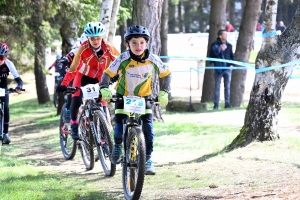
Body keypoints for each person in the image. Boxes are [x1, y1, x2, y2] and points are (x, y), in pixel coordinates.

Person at [99, 25, 172, 175]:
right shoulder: (123, 58)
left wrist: (164, 92)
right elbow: (107, 74)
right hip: (123, 96)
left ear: (146, 44)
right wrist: (104, 88)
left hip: (143, 97)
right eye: (134, 43)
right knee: (118, 128)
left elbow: (167, 74)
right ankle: (118, 146)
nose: (138, 46)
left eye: (141, 43)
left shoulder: (153, 59)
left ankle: (148, 159)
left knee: (148, 130)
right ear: (127, 44)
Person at [56, 22, 120, 140]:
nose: (95, 41)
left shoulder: (109, 48)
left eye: (98, 38)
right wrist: (64, 84)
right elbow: (73, 68)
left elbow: (121, 63)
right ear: (88, 38)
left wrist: (118, 76)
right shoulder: (82, 49)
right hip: (83, 76)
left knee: (103, 104)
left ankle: (104, 138)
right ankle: (74, 125)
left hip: (102, 77)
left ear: (102, 37)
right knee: (76, 99)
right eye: (92, 38)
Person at [58, 32, 88, 123]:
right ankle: (68, 107)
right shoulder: (76, 50)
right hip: (74, 75)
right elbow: (63, 61)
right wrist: (63, 71)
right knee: (73, 89)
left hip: (87, 77)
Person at [0, 42, 23, 144]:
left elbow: (18, 79)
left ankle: (5, 133)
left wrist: (19, 86)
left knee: (6, 108)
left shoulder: (9, 64)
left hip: (3, 89)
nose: (1, 60)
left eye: (2, 58)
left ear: (6, 56)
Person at [210, 29, 235, 110]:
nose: (226, 36)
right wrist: (220, 49)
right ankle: (216, 104)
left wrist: (232, 65)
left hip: (227, 69)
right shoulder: (214, 45)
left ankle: (227, 103)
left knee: (227, 86)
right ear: (220, 36)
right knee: (217, 86)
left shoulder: (229, 45)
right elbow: (212, 55)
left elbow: (231, 56)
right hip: (218, 68)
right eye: (225, 34)